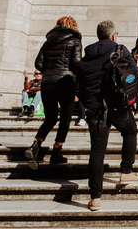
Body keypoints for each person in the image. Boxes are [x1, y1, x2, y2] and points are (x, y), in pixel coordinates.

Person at [77, 20, 138, 212]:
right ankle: (126, 171)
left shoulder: (85, 58)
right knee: (130, 132)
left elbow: (78, 87)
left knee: (97, 151)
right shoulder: (120, 50)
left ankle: (95, 198)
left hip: (95, 110)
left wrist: (90, 104)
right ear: (113, 35)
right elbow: (133, 74)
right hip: (118, 107)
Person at [26, 16, 82, 169]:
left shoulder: (48, 41)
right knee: (65, 117)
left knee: (50, 118)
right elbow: (76, 62)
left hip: (48, 82)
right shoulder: (75, 40)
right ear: (74, 26)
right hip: (65, 81)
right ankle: (57, 151)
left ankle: (36, 145)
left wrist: (49, 71)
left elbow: (38, 63)